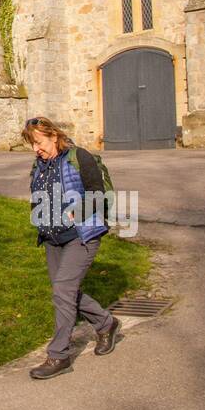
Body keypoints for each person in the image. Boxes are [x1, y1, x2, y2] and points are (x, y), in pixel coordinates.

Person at [23, 116, 121, 380]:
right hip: (53, 239)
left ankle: (59, 355)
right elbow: (38, 199)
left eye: (39, 143)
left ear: (54, 136)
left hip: (83, 235)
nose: (36, 149)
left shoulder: (80, 157)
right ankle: (106, 323)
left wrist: (76, 212)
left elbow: (97, 194)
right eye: (32, 145)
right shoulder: (40, 165)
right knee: (64, 291)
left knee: (63, 290)